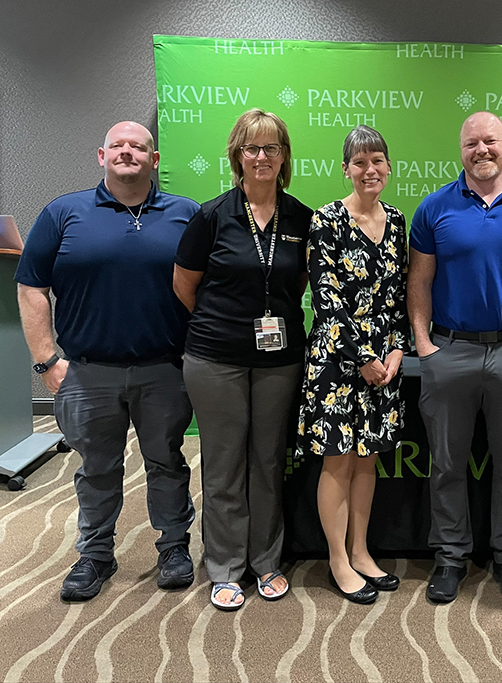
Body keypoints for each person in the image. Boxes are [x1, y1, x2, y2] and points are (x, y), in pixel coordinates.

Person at [15, 121, 199, 601]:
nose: (127, 152)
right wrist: (46, 361)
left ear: (154, 160)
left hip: (166, 368)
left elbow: (210, 289)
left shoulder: (187, 214)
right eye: (118, 145)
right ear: (101, 156)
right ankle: (95, 554)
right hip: (86, 370)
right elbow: (32, 286)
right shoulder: (63, 212)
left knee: (166, 462)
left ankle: (174, 547)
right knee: (96, 466)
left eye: (138, 147)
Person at [408, 111, 502, 603]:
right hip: (448, 349)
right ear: (461, 150)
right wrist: (423, 343)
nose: (482, 150)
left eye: (490, 141)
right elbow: (420, 280)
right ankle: (450, 555)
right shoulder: (434, 209)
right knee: (447, 463)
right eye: (472, 143)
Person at [173, 109, 312, 611]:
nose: (261, 156)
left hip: (279, 359)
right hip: (216, 358)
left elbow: (295, 285)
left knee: (270, 459)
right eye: (251, 148)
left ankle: (266, 561)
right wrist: (224, 325)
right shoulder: (211, 215)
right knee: (225, 460)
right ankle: (226, 566)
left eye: (271, 147)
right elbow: (184, 284)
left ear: (283, 156)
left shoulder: (300, 217)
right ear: (237, 155)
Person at [297, 125, 410, 604]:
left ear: (388, 166)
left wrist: (396, 351)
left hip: (384, 363)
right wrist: (362, 357)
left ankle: (361, 551)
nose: (370, 170)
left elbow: (401, 295)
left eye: (378, 160)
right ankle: (338, 561)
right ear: (346, 168)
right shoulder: (326, 219)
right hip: (338, 363)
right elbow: (326, 299)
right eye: (360, 162)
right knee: (338, 461)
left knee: (368, 461)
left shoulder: (399, 220)